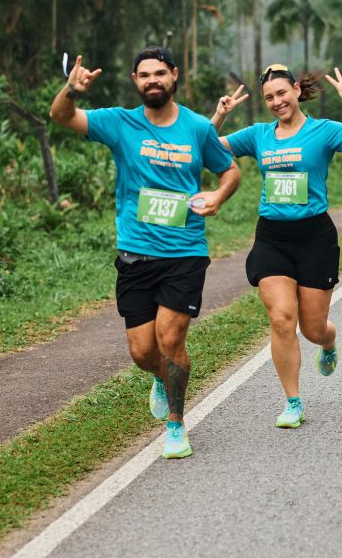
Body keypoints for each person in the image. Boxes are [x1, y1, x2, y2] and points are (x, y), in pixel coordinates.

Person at [49, 46, 241, 459]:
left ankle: (175, 425)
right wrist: (71, 89)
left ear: (174, 75)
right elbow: (62, 117)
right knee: (142, 351)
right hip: (135, 255)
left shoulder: (197, 127)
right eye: (144, 75)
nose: (152, 80)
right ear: (136, 81)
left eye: (159, 73)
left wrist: (219, 196)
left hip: (185, 251)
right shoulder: (120, 123)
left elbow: (229, 169)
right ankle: (163, 377)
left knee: (170, 341)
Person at [210, 65, 342, 428]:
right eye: (269, 98)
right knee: (281, 318)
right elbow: (202, 149)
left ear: (295, 90)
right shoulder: (258, 135)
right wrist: (219, 116)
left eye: (281, 94)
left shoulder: (324, 131)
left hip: (315, 238)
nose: (277, 102)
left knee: (313, 328)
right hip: (272, 237)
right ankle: (293, 401)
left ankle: (328, 341)